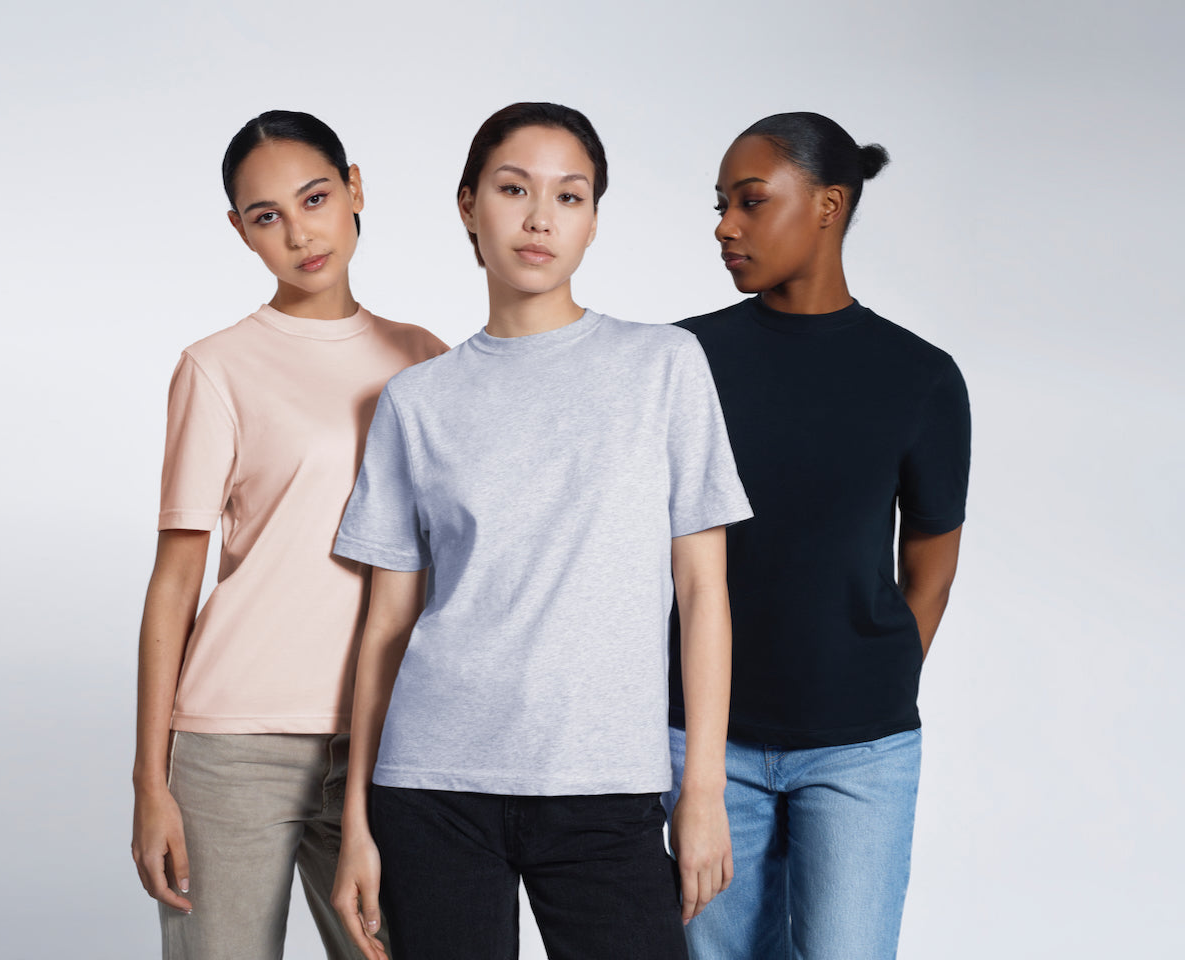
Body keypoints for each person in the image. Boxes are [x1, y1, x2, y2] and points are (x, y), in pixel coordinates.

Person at [328, 101, 753, 960]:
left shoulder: (663, 366)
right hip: (432, 784)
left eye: (571, 196)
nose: (539, 218)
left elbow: (703, 593)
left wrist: (699, 788)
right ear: (467, 205)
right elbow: (385, 627)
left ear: (594, 220)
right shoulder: (417, 400)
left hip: (607, 787)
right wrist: (357, 825)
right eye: (514, 188)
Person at [130, 109, 446, 960]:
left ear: (355, 190)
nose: (301, 232)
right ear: (241, 232)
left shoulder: (427, 359)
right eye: (267, 216)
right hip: (234, 742)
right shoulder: (218, 366)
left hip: (388, 741)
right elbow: (174, 583)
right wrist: (149, 781)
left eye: (315, 197)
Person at [663, 112, 972, 960]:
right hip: (703, 747)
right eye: (721, 205)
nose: (727, 225)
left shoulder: (920, 376)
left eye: (752, 202)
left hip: (861, 751)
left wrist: (873, 676)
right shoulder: (683, 359)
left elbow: (932, 564)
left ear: (828, 205)